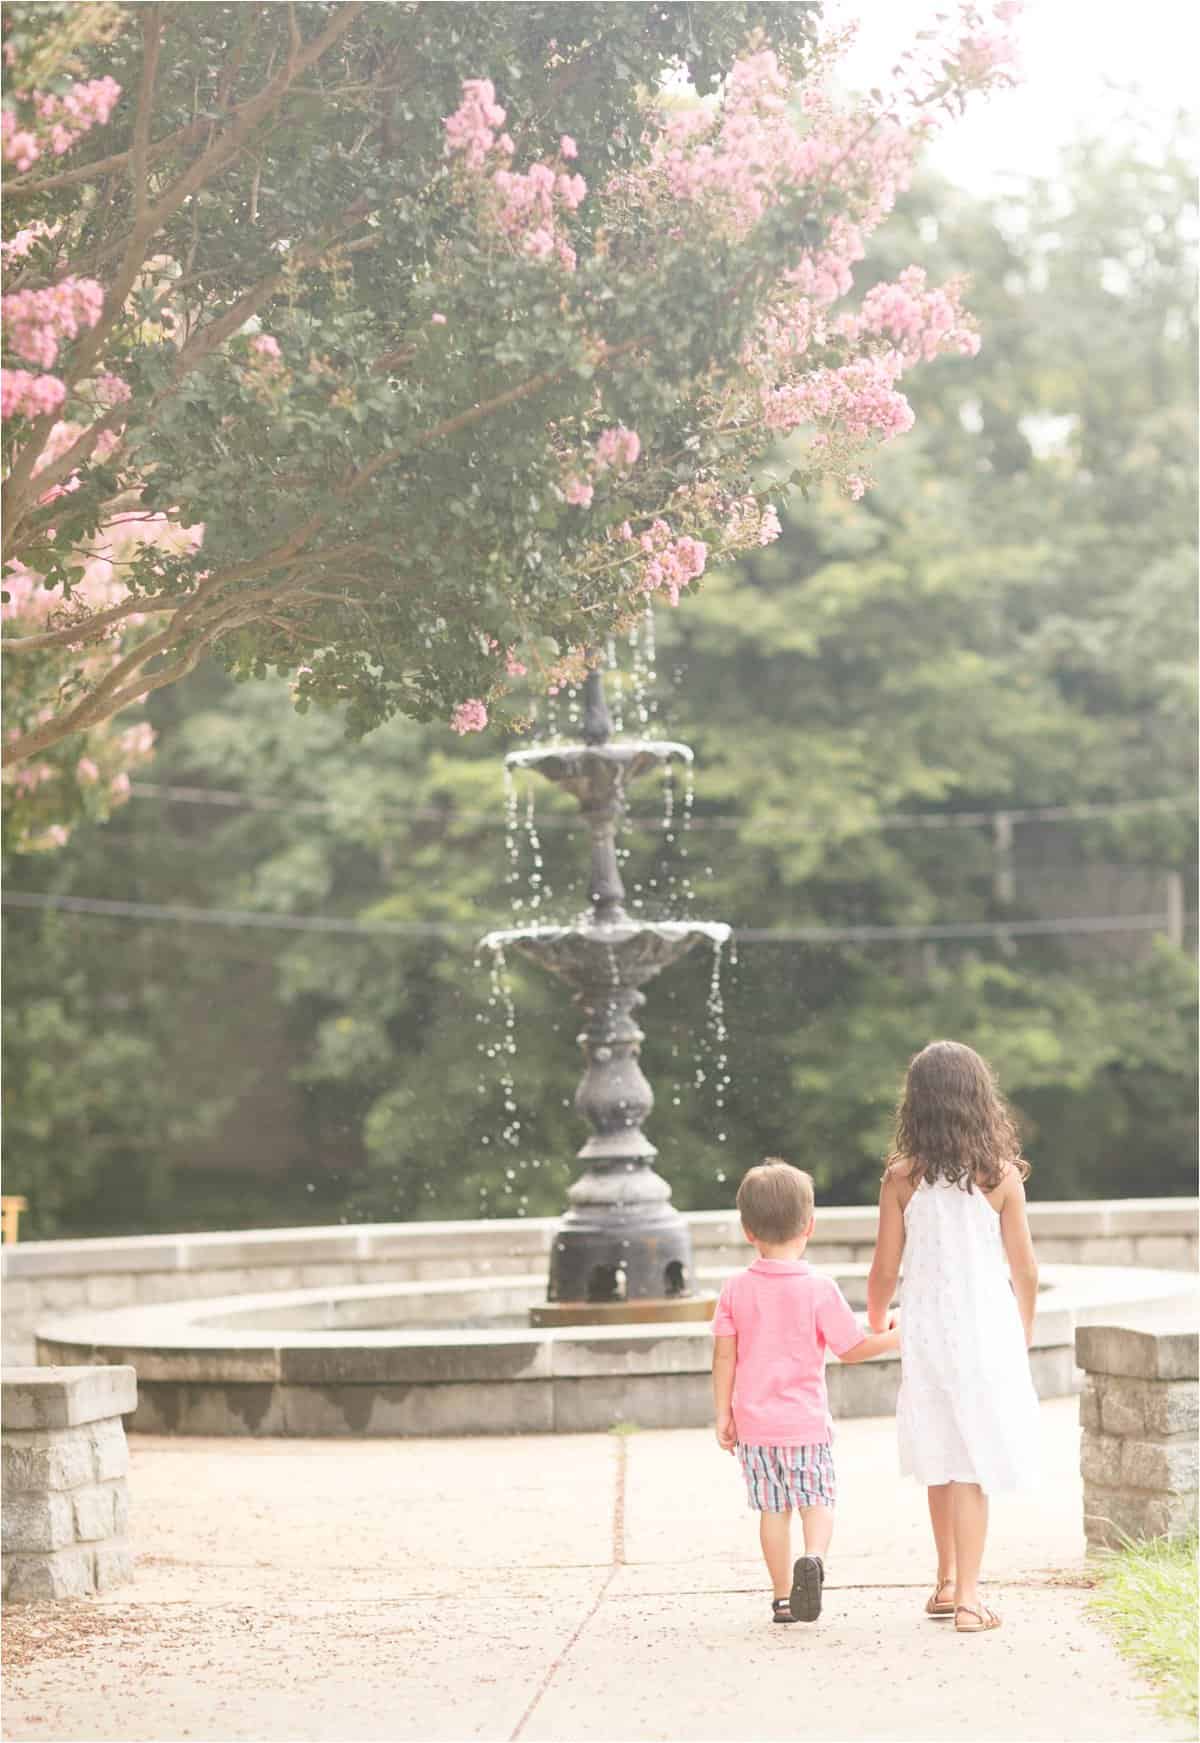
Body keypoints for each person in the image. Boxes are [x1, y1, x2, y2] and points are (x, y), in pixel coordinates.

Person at [866, 1039, 1041, 1636]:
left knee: (940, 1452)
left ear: (915, 1105)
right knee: (972, 1461)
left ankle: (945, 1582)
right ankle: (969, 1598)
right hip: (984, 1330)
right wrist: (1024, 1330)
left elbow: (885, 1270)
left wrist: (874, 1318)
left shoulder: (902, 1179)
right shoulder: (1001, 1179)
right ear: (978, 1101)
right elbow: (1025, 1270)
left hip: (927, 1333)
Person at [712, 1158, 899, 1626]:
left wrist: (723, 1414)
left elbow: (724, 1357)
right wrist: (898, 1334)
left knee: (773, 1512)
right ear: (810, 1226)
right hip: (806, 1424)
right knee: (817, 1501)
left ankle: (781, 1598)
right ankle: (813, 1559)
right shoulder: (818, 1288)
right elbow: (852, 1348)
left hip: (755, 1427)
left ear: (747, 1229)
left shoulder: (734, 1289)